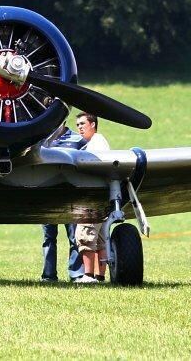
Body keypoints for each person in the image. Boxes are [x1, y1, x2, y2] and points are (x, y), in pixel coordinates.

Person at [40, 126, 86, 282]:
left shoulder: (78, 140)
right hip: (48, 198)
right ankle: (48, 275)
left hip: (70, 198)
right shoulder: (40, 140)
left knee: (74, 238)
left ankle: (76, 273)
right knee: (48, 238)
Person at [74, 112, 110, 283]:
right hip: (102, 197)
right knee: (100, 239)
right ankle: (100, 276)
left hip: (92, 198)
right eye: (78, 125)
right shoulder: (97, 142)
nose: (80, 128)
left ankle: (88, 276)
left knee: (85, 234)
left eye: (83, 124)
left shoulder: (96, 145)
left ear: (93, 124)